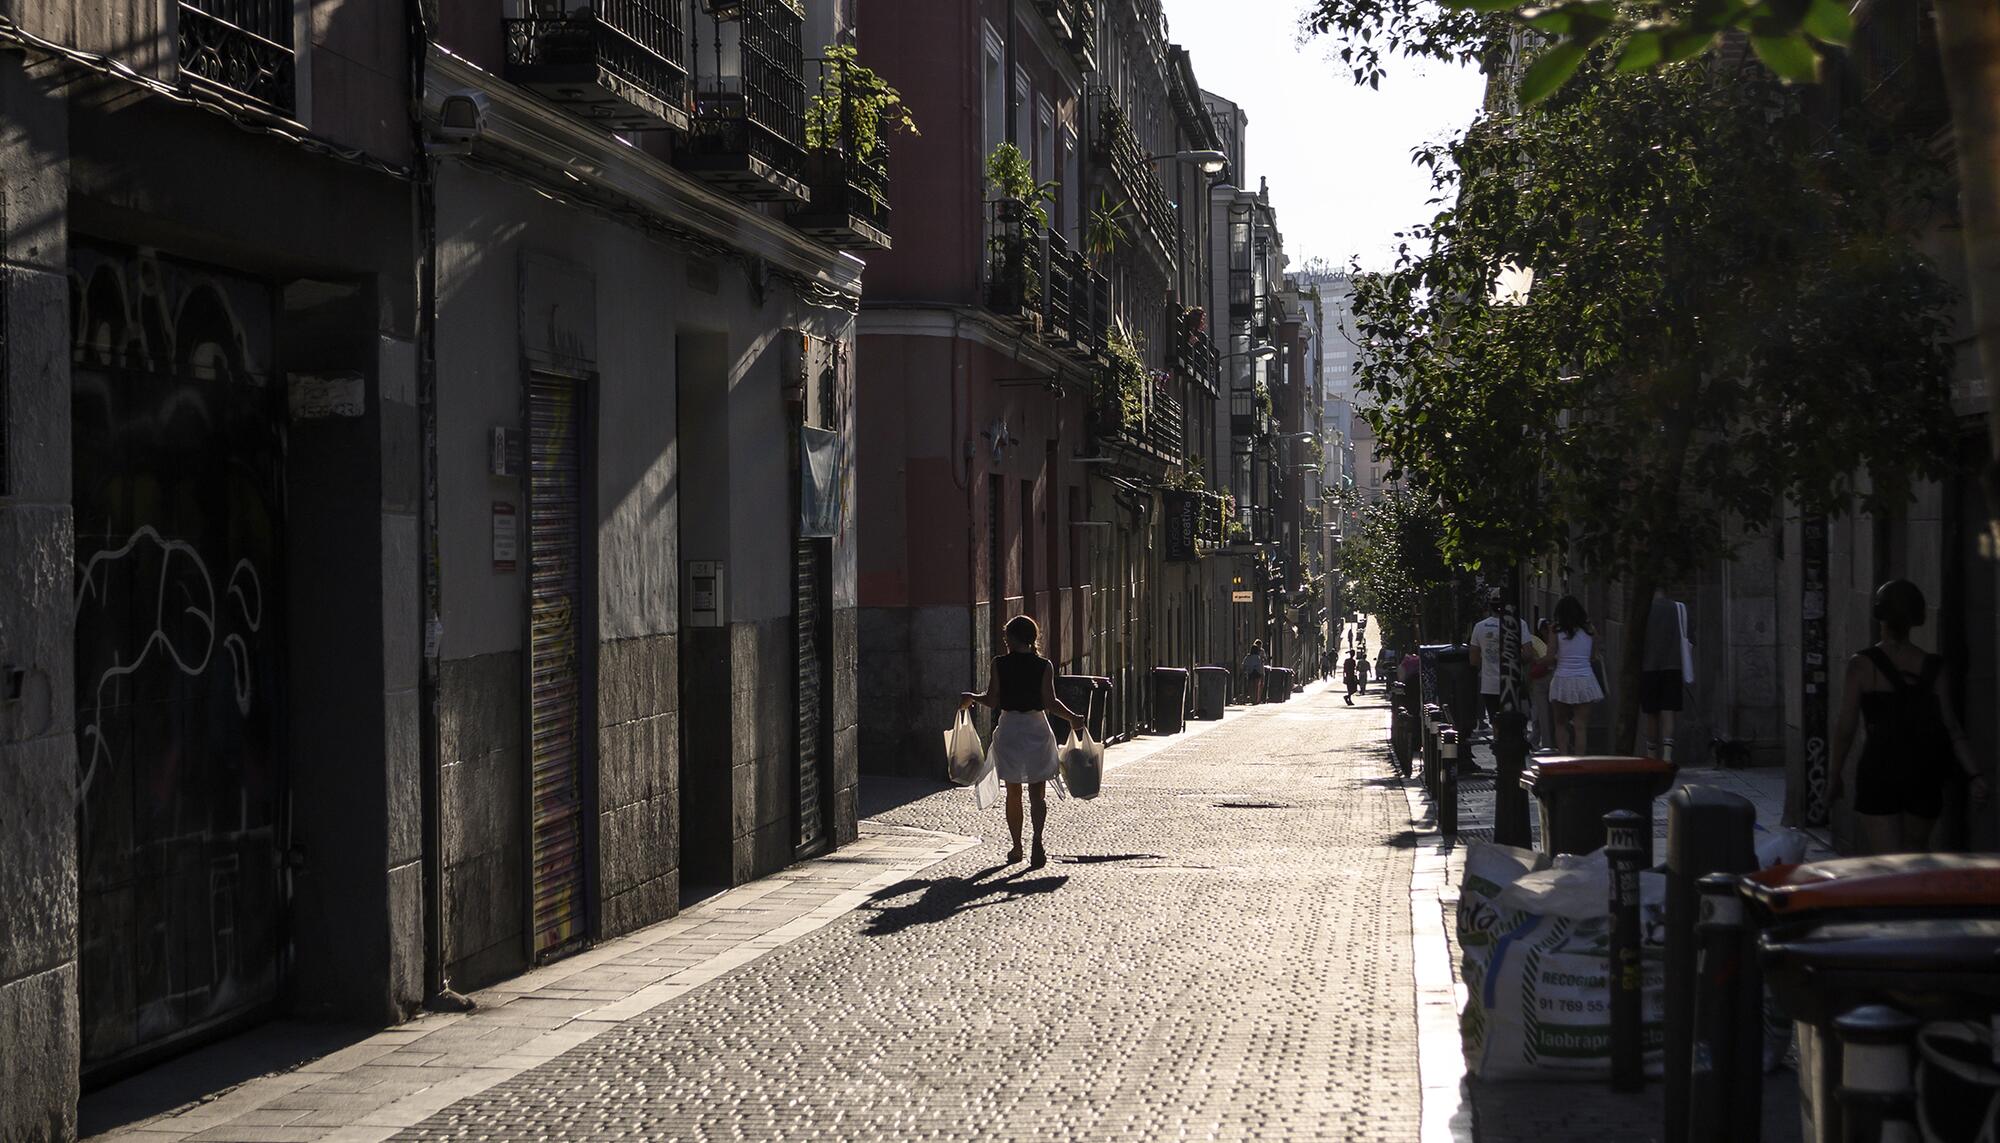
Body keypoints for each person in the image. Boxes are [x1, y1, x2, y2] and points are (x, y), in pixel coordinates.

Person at [1829, 580, 1988, 856]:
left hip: (1879, 770)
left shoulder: (1861, 665)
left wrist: (1834, 775)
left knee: (1889, 862)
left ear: (1880, 616)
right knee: (1915, 855)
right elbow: (1951, 727)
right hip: (1923, 772)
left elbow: (1846, 727)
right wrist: (1975, 774)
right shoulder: (1935, 667)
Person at [960, 616, 1085, 868]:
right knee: (1037, 794)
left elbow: (992, 700)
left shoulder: (1000, 664)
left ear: (1013, 637)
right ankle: (1037, 842)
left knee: (1013, 793)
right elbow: (1050, 703)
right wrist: (1072, 717)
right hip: (1036, 729)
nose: (1005, 639)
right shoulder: (1044, 665)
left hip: (1010, 731)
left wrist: (972, 698)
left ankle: (1016, 847)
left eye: (1007, 635)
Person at [1467, 591, 1535, 734]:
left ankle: (1499, 748)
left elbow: (1473, 659)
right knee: (1515, 722)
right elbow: (1528, 654)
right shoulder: (1519, 624)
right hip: (1513, 683)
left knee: (1495, 721)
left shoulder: (1479, 627)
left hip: (1489, 684)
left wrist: (1487, 664)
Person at [1545, 595, 1604, 754]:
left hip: (1562, 680)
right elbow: (1593, 656)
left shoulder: (1555, 629)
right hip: (1585, 679)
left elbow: (1550, 656)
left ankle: (1564, 758)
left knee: (1560, 724)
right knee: (1581, 726)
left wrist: (1540, 662)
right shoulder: (1590, 629)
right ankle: (1580, 760)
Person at [1639, 587, 1690, 760]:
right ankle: (1667, 755)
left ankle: (1651, 755)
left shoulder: (1644, 610)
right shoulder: (1678, 609)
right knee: (1669, 711)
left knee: (1651, 714)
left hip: (1649, 667)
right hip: (1673, 665)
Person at [1530, 618, 1556, 753]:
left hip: (1547, 677)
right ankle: (1546, 743)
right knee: (1542, 713)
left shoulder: (1537, 641)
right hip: (1547, 677)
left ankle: (1547, 743)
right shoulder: (1536, 642)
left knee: (1544, 713)